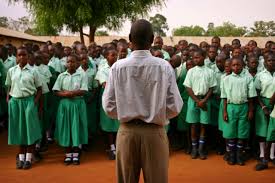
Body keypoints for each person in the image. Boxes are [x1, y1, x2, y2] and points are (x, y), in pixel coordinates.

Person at [102, 19, 183, 183]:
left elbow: (108, 106)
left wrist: (127, 113)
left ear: (130, 38)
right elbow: (175, 106)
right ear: (152, 39)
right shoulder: (164, 67)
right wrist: (156, 113)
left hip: (127, 133)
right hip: (155, 133)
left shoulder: (117, 67)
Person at [5, 47, 42, 169]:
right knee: (19, 130)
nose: (22, 57)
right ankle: (21, 158)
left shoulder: (33, 71)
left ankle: (28, 158)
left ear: (28, 56)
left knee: (30, 131)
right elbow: (8, 86)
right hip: (15, 102)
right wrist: (8, 99)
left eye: (24, 55)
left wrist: (35, 102)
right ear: (16, 56)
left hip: (29, 102)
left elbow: (39, 89)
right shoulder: (11, 71)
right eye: (19, 55)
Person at [52, 54, 88, 165]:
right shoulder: (61, 76)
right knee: (66, 127)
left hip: (77, 104)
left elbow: (84, 90)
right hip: (65, 105)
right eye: (68, 62)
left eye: (73, 62)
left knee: (76, 127)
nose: (70, 64)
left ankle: (76, 154)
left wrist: (73, 93)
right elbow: (56, 90)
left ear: (77, 63)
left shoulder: (82, 75)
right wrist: (65, 94)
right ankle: (68, 155)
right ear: (65, 63)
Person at [221, 57, 257, 166]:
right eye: (234, 65)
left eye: (238, 65)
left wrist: (250, 111)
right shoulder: (226, 79)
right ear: (230, 66)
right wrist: (225, 111)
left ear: (243, 66)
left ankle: (239, 155)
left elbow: (251, 97)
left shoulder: (248, 78)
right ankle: (232, 156)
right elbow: (224, 97)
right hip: (231, 107)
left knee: (242, 133)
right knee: (231, 133)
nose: (236, 67)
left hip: (244, 107)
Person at [184, 48, 217, 160]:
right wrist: (197, 101)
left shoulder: (210, 71)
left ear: (204, 57)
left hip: (205, 101)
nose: (195, 59)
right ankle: (194, 148)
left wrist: (204, 100)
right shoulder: (191, 71)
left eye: (198, 57)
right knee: (194, 124)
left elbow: (212, 88)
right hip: (193, 100)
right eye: (194, 58)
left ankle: (201, 149)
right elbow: (188, 88)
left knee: (203, 125)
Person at [95, 48, 120, 160]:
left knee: (118, 122)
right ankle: (111, 147)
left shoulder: (120, 67)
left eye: (116, 55)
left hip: (119, 98)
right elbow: (105, 84)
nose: (114, 57)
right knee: (108, 122)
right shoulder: (102, 70)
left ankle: (117, 145)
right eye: (112, 55)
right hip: (108, 97)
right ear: (106, 57)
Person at [254, 53, 275, 170]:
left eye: (273, 60)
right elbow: (256, 93)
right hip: (263, 103)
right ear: (265, 62)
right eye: (269, 60)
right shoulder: (260, 75)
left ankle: (272, 155)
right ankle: (263, 154)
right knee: (263, 130)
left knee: (273, 131)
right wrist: (263, 106)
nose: (271, 62)